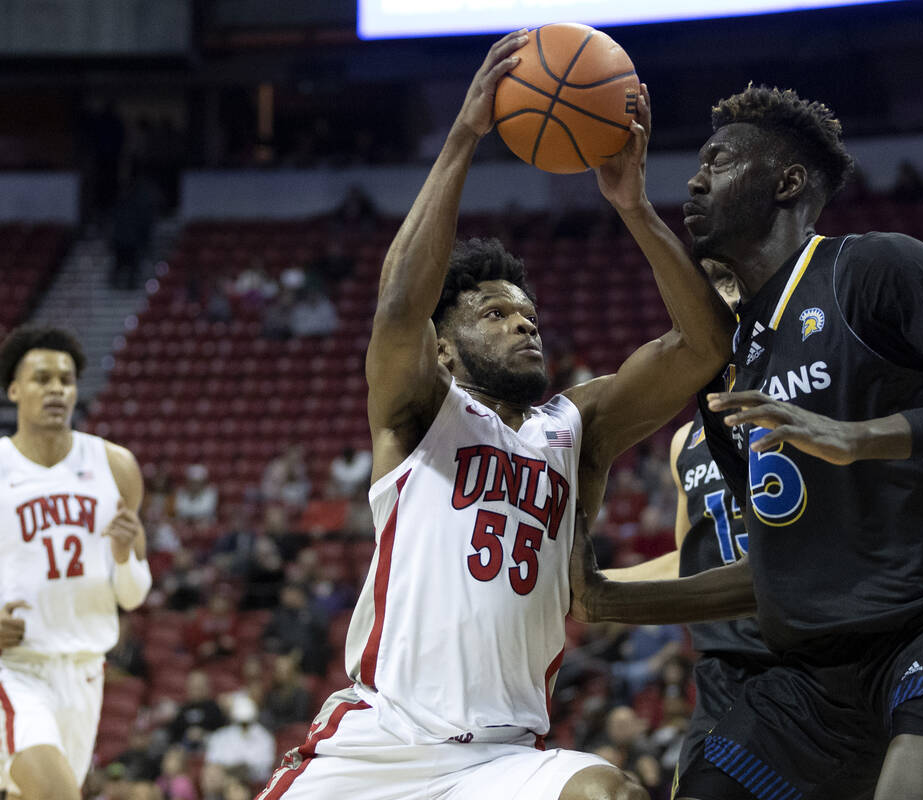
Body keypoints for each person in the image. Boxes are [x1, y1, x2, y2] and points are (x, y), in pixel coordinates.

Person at [571, 84, 923, 800]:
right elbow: (778, 571)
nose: (694, 179)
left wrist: (858, 437)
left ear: (786, 182)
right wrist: (605, 599)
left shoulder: (872, 267)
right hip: (816, 672)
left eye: (718, 161)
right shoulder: (730, 367)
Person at [258, 29, 732, 800]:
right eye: (493, 313)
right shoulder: (417, 413)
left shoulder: (577, 428)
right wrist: (464, 137)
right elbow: (400, 302)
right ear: (443, 348)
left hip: (505, 758)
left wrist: (634, 206)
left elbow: (703, 345)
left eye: (529, 314)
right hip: (381, 740)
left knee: (605, 792)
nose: (523, 324)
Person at [0, 325, 153, 799]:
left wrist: (123, 558)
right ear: (14, 390)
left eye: (66, 379)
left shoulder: (117, 467)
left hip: (84, 669)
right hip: (13, 667)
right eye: (42, 378)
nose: (57, 388)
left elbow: (133, 593)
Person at [602, 263, 775, 795]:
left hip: (810, 648)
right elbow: (688, 558)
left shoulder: (802, 400)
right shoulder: (684, 444)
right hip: (726, 666)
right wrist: (581, 585)